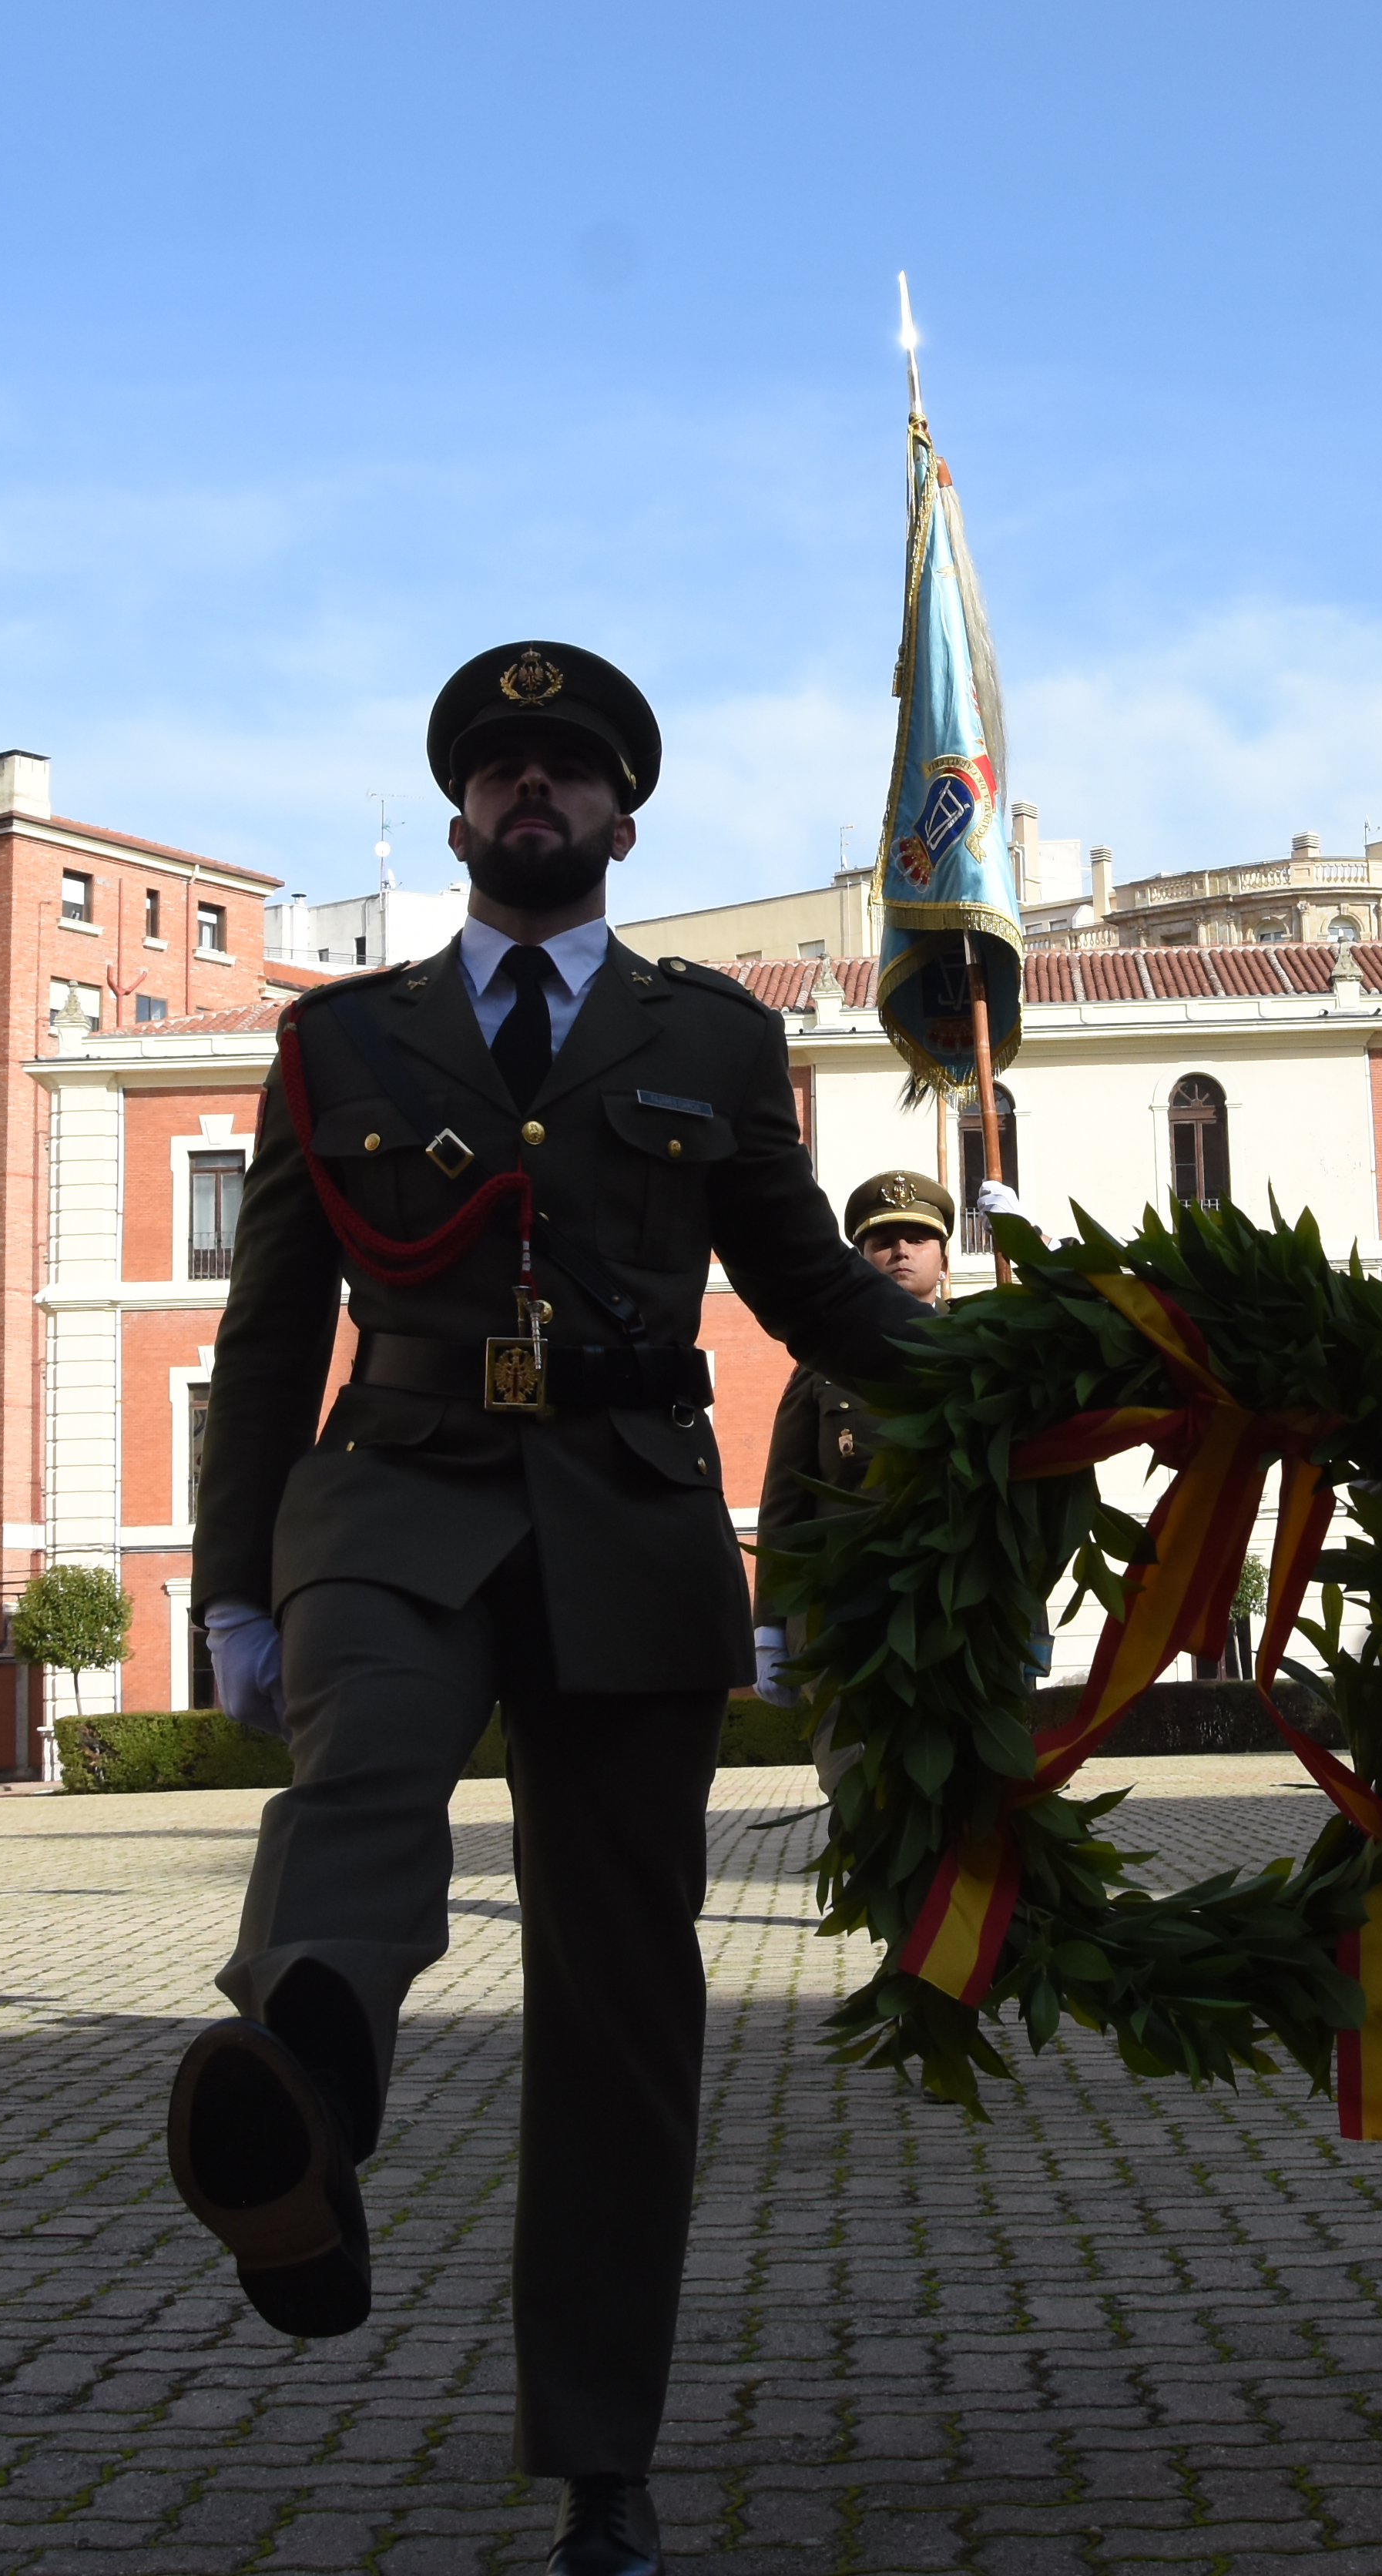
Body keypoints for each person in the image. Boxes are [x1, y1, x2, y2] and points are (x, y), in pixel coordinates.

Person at [166, 640, 934, 2576]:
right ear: (457, 817)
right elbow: (268, 1334)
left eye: (569, 769)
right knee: (361, 1783)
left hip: (629, 1512)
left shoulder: (715, 1039)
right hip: (393, 1489)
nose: (535, 792)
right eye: (503, 768)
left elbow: (816, 1297)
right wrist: (239, 1589)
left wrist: (1020, 1372)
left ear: (622, 817)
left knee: (621, 1996)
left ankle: (606, 2451)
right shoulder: (340, 1040)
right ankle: (308, 2112)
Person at [753, 1169, 958, 1763]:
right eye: (881, 1241)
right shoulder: (819, 1368)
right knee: (859, 1788)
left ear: (944, 1257)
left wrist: (1029, 1624)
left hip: (955, 1610)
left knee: (965, 1795)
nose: (899, 1251)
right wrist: (772, 1626)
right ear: (859, 1261)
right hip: (844, 1616)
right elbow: (786, 1501)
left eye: (916, 1239)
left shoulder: (981, 1353)